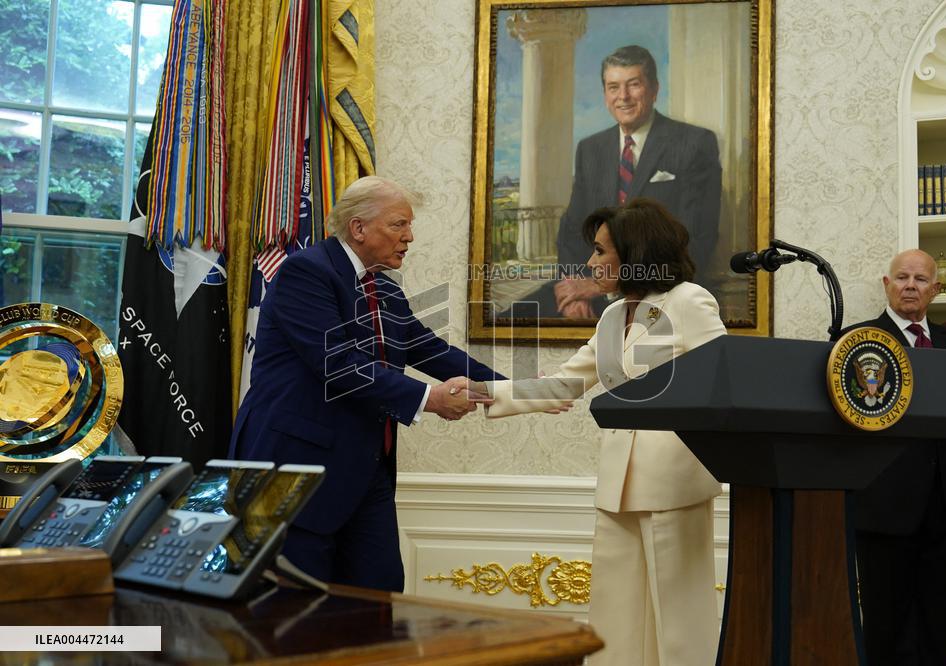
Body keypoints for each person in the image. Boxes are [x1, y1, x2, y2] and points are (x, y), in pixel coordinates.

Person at [478, 198, 725, 665]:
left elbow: (721, 381)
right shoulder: (613, 316)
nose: (590, 263)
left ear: (634, 254)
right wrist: (481, 392)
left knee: (680, 618)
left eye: (599, 251)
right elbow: (565, 383)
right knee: (615, 615)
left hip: (674, 481)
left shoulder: (688, 299)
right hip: (617, 484)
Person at [230, 176, 502, 592]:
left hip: (366, 470)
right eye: (399, 225)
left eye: (409, 226)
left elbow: (426, 348)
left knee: (378, 598)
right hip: (295, 472)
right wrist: (430, 399)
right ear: (358, 228)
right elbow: (338, 364)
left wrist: (509, 389)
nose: (409, 237)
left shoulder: (385, 288)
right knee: (290, 614)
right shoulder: (307, 272)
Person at [845, 249, 946, 665]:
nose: (910, 285)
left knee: (941, 623)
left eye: (919, 279)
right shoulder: (857, 341)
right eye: (901, 277)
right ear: (886, 285)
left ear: (935, 289)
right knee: (885, 624)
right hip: (883, 506)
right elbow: (846, 415)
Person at [511, 44, 721, 320]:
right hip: (590, 287)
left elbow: (697, 239)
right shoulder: (591, 149)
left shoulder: (694, 143)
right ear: (604, 94)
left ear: (654, 89)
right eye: (613, 87)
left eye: (633, 85)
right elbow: (572, 230)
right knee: (508, 319)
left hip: (657, 292)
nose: (623, 97)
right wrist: (574, 288)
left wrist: (602, 286)